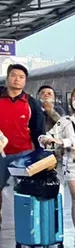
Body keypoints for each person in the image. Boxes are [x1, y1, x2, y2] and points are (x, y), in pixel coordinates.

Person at [39, 87, 75, 248]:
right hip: (71, 165)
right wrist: (46, 139)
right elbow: (49, 134)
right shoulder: (64, 121)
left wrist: (63, 142)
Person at [0, 63, 46, 225]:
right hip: (1, 154)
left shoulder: (31, 104)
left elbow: (38, 131)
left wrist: (40, 155)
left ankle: (29, 223)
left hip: (24, 154)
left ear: (25, 81)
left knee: (27, 190)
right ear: (7, 78)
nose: (17, 80)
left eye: (21, 77)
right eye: (13, 76)